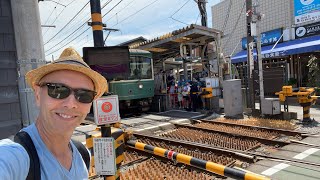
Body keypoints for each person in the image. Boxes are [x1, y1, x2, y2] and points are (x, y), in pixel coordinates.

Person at [0, 47, 108, 179]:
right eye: (58, 90)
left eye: (84, 95)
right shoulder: (14, 155)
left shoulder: (82, 154)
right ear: (38, 95)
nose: (71, 103)